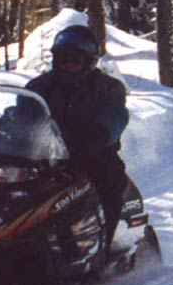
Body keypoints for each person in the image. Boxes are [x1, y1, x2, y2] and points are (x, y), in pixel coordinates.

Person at [24, 24, 131, 239]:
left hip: (90, 157)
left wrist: (100, 133)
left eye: (75, 60)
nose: (68, 65)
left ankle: (101, 244)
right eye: (64, 59)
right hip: (42, 157)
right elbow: (24, 112)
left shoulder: (107, 88)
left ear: (89, 62)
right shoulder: (39, 87)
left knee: (109, 183)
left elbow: (116, 116)